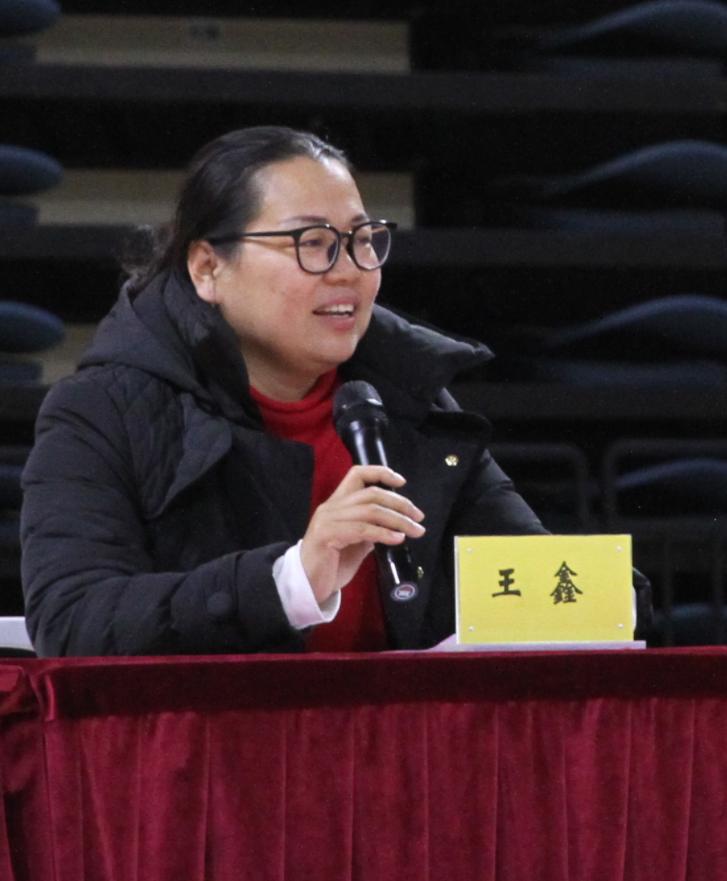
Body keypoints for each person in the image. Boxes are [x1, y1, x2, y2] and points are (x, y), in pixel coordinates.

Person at [20, 124, 550, 657]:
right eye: (312, 243)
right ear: (208, 268)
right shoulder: (102, 411)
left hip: (399, 715)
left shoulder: (408, 398)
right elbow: (71, 623)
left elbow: (546, 585)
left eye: (362, 240)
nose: (348, 271)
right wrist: (290, 580)